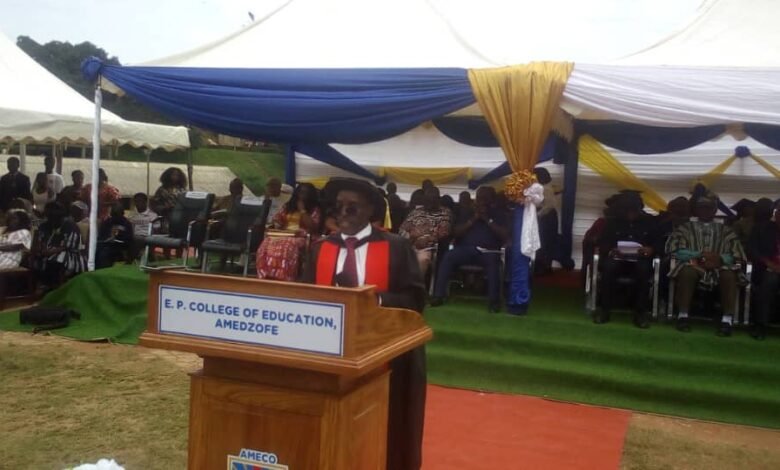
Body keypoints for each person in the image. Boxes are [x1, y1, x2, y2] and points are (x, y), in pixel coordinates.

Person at [303, 177, 426, 470]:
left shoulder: (396, 247)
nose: (343, 214)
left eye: (352, 208)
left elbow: (415, 299)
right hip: (330, 355)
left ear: (370, 210)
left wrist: (373, 300)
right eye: (339, 207)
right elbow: (304, 295)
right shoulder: (321, 249)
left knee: (383, 427)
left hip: (383, 355)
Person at [666, 193, 746, 336]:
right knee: (687, 272)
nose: (705, 211)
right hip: (693, 264)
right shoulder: (685, 228)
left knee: (729, 275)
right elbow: (674, 250)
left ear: (715, 210)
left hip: (720, 266)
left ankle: (726, 320)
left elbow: (737, 254)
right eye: (702, 208)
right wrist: (700, 255)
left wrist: (719, 259)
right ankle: (682, 316)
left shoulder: (726, 230)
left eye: (709, 208)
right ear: (696, 210)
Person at [430, 186, 509, 312]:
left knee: (494, 264)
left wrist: (487, 220)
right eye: (479, 198)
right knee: (448, 256)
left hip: (488, 252)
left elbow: (505, 235)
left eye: (485, 198)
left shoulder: (499, 213)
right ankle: (438, 295)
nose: (481, 201)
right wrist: (473, 219)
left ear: (491, 200)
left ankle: (494, 302)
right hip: (465, 250)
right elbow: (455, 233)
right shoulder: (467, 212)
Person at [595, 191, 657, 328]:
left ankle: (641, 313)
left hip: (640, 259)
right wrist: (612, 250)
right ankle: (604, 310)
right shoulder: (612, 222)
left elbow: (658, 244)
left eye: (633, 211)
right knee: (608, 267)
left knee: (644, 270)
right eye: (627, 211)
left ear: (639, 209)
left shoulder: (650, 222)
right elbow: (603, 242)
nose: (630, 214)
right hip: (618, 258)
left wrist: (650, 249)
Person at [256, 183, 321, 281]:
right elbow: (278, 218)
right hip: (284, 233)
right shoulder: (288, 206)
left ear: (310, 195)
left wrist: (302, 210)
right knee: (266, 243)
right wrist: (277, 223)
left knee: (287, 245)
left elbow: (312, 226)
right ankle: (266, 274)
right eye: (301, 192)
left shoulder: (314, 209)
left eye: (306, 193)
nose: (302, 195)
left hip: (301, 237)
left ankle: (284, 276)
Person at [399, 186, 452, 276]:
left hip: (426, 248)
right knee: (392, 257)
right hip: (408, 245)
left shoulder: (445, 212)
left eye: (432, 199)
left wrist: (427, 239)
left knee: (422, 259)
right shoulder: (416, 212)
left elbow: (444, 232)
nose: (429, 202)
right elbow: (402, 229)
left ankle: (415, 287)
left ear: (438, 199)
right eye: (427, 199)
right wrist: (411, 238)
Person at [33, 202, 86, 288]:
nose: (51, 219)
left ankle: (53, 287)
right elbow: (40, 240)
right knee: (33, 260)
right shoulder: (44, 225)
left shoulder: (70, 225)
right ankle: (41, 286)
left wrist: (51, 251)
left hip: (70, 253)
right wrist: (42, 249)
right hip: (47, 252)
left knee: (55, 260)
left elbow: (69, 246)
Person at [748, 198, 780, 340]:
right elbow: (752, 251)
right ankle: (760, 325)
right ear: (776, 214)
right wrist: (768, 263)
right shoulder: (761, 228)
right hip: (766, 270)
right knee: (769, 281)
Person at [534, 167, 559, 275]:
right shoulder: (543, 188)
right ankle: (543, 266)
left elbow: (549, 206)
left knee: (545, 241)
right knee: (544, 241)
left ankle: (543, 267)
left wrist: (537, 215)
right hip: (546, 217)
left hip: (547, 218)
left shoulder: (546, 189)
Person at [96, 203, 133, 268]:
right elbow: (101, 235)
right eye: (113, 214)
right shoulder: (107, 222)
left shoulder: (127, 224)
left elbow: (128, 239)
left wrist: (117, 240)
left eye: (116, 214)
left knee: (104, 254)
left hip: (120, 247)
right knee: (97, 250)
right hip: (106, 245)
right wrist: (107, 238)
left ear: (122, 213)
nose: (115, 217)